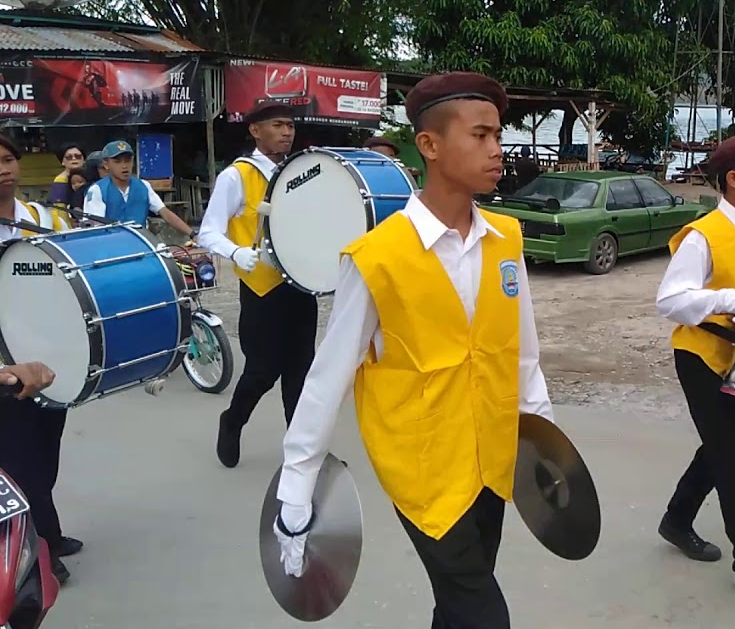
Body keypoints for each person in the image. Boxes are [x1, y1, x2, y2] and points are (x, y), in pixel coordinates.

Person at [275, 72, 555, 628]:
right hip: (422, 471)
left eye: (497, 135)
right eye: (480, 135)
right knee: (483, 614)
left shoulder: (505, 239)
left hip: (493, 460)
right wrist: (296, 484)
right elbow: (329, 375)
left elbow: (522, 352)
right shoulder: (377, 257)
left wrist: (544, 445)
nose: (497, 150)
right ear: (429, 144)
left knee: (458, 606)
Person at [653, 134, 735, 607]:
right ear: (734, 179)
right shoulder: (703, 236)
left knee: (721, 445)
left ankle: (677, 519)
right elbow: (670, 300)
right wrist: (731, 299)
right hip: (701, 358)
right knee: (734, 461)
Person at [197, 102, 318, 468]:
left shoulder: (300, 171)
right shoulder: (237, 175)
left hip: (301, 285)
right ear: (255, 130)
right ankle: (232, 420)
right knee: (262, 371)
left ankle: (301, 455)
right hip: (262, 289)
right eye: (278, 125)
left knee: (300, 372)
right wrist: (236, 252)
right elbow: (208, 232)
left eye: (290, 126)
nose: (287, 132)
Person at [0, 135, 78, 586]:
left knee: (47, 450)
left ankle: (50, 531)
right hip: (6, 366)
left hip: (49, 353)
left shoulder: (42, 218)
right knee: (20, 461)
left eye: (9, 159)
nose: (4, 168)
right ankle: (40, 551)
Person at [83, 141, 198, 240]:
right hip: (111, 245)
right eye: (117, 162)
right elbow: (95, 227)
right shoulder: (97, 190)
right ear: (106, 164)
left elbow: (165, 213)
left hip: (141, 242)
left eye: (127, 161)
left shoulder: (143, 186)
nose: (124, 166)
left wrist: (193, 234)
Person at [47, 143, 85, 207]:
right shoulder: (60, 181)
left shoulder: (90, 176)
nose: (74, 159)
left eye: (78, 156)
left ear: (84, 160)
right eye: (69, 157)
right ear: (62, 161)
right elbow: (59, 208)